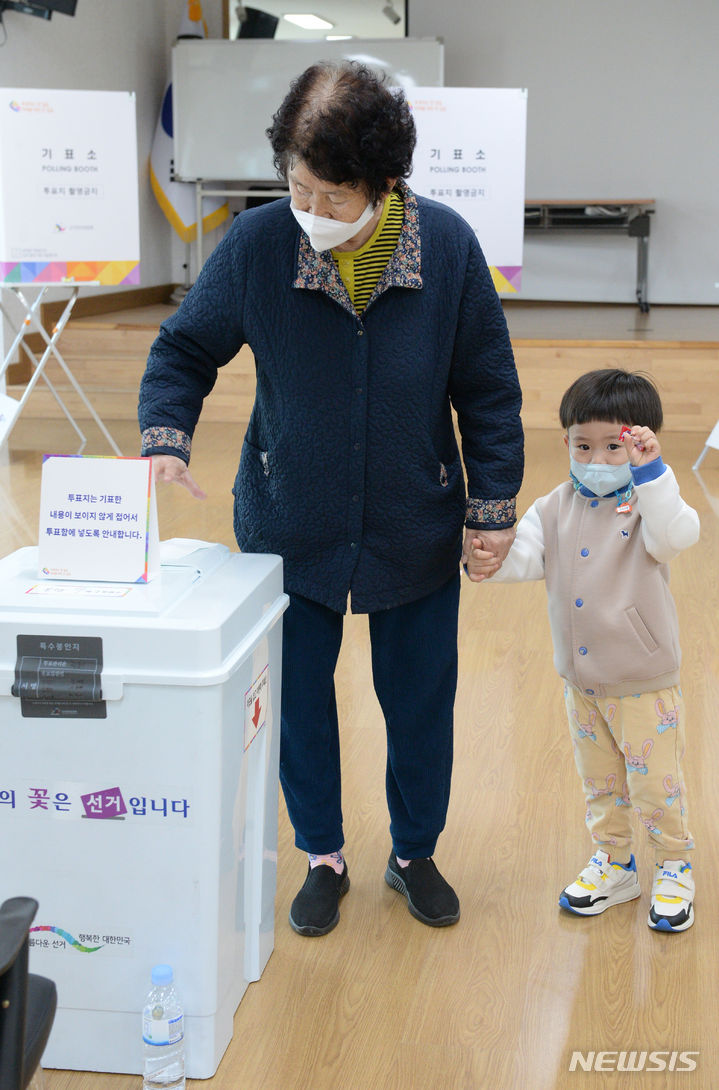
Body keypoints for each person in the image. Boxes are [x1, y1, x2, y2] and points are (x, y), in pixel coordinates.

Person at [138, 61, 524, 936]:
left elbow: (489, 394)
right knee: (298, 699)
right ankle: (321, 852)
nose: (309, 209)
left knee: (419, 699)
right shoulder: (257, 245)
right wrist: (166, 438)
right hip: (288, 518)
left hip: (413, 520)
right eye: (296, 185)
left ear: (385, 185)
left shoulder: (450, 249)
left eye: (332, 195)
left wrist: (490, 509)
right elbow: (181, 350)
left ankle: (412, 852)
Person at [466, 368, 699, 931]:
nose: (597, 457)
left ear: (638, 443)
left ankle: (673, 865)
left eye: (613, 446)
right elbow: (522, 558)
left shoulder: (650, 500)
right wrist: (479, 555)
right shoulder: (554, 505)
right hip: (582, 682)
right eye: (583, 445)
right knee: (601, 782)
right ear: (566, 443)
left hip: (643, 680)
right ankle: (616, 861)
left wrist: (653, 474)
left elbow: (678, 535)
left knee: (654, 782)